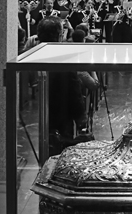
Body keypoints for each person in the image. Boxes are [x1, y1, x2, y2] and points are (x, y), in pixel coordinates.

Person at [38, 18, 98, 151]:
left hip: (42, 115)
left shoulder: (34, 53)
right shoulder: (64, 60)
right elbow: (74, 92)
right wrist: (82, 120)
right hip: (61, 116)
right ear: (60, 36)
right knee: (60, 152)